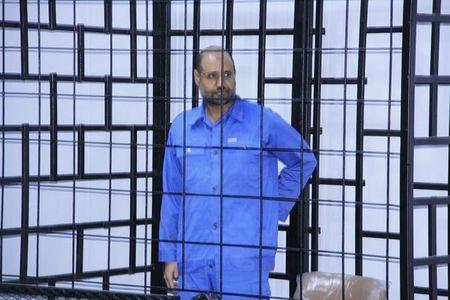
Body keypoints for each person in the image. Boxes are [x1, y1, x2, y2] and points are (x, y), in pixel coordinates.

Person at [159, 46, 317, 299]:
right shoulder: (181, 128)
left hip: (244, 262)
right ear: (197, 78)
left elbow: (303, 160)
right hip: (193, 259)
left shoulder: (262, 121)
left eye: (228, 74)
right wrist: (169, 255)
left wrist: (272, 206)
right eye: (212, 76)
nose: (222, 83)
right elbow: (172, 194)